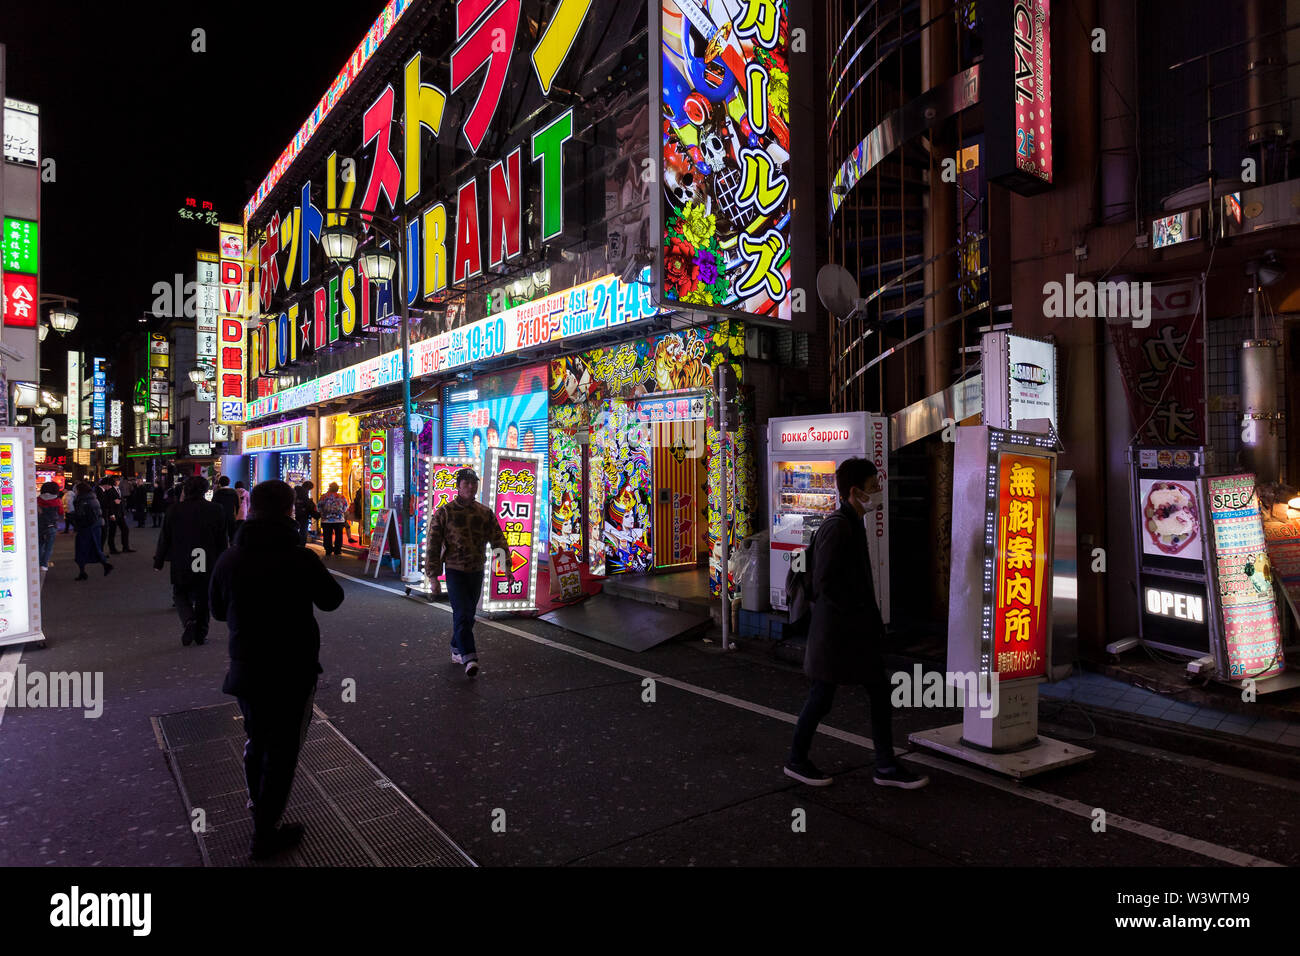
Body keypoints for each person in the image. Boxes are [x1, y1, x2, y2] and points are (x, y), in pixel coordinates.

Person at [210, 479, 345, 860]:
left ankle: (258, 808)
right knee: (283, 751)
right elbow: (332, 600)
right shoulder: (301, 558)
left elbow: (218, 611)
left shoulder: (230, 558)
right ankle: (265, 831)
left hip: (247, 668)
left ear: (251, 509)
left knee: (258, 740)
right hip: (293, 668)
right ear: (290, 511)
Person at [784, 458, 929, 790]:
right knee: (825, 696)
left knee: (872, 692)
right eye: (873, 486)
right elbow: (825, 583)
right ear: (855, 491)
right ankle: (799, 759)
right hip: (838, 635)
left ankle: (884, 764)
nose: (878, 492)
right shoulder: (839, 526)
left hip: (846, 634)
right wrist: (858, 617)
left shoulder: (851, 522)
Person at [425, 467, 513, 678]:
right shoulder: (445, 512)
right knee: (463, 614)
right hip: (455, 570)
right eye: (466, 483)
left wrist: (506, 567)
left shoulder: (484, 512)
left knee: (469, 615)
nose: (471, 487)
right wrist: (433, 577)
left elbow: (498, 540)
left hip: (476, 570)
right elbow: (433, 545)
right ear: (458, 486)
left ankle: (456, 647)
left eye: (474, 483)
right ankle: (469, 657)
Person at [154, 475, 227, 646]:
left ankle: (189, 620)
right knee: (203, 595)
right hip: (205, 557)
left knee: (180, 592)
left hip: (182, 558)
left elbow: (165, 537)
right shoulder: (216, 509)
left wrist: (159, 561)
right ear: (205, 490)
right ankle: (201, 633)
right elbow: (221, 539)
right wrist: (223, 561)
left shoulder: (174, 509)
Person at [71, 481, 113, 580]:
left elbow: (80, 515)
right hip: (96, 525)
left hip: (86, 527)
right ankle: (105, 565)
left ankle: (82, 572)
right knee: (95, 547)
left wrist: (72, 517)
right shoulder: (92, 497)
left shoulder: (81, 500)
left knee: (81, 549)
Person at [37, 481, 64, 571]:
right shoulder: (57, 500)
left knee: (40, 544)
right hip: (52, 526)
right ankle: (44, 565)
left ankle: (38, 562)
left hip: (39, 525)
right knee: (49, 546)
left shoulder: (37, 499)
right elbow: (61, 512)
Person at [317, 482, 349, 556]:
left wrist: (323, 513)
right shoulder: (342, 497)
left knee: (327, 535)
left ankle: (328, 550)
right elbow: (345, 508)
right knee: (338, 535)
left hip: (326, 519)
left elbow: (319, 507)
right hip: (339, 519)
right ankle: (337, 550)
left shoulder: (323, 497)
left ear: (329, 488)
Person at [212, 475, 240, 542]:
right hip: (231, 516)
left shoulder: (217, 493)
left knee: (221, 536)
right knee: (232, 535)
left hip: (220, 517)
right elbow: (237, 505)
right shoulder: (234, 492)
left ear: (220, 483)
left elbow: (214, 505)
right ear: (229, 482)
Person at [293, 481, 319, 546]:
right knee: (303, 531)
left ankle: (295, 543)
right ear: (308, 487)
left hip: (295, 514)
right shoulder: (304, 493)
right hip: (304, 515)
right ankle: (301, 545)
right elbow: (307, 505)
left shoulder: (295, 492)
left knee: (295, 530)